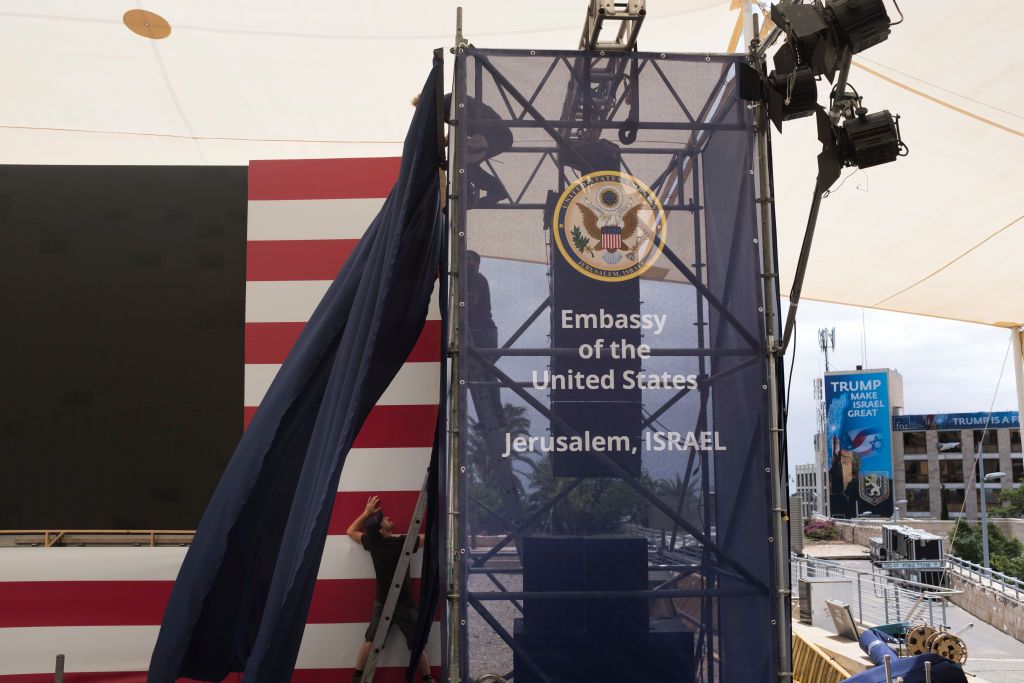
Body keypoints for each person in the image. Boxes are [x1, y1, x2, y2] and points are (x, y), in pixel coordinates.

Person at [346, 495, 432, 683]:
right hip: (405, 603)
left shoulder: (373, 544)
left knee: (371, 640)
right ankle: (428, 680)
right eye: (385, 519)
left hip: (382, 601)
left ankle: (357, 677)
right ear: (382, 529)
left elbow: (350, 531)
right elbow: (431, 538)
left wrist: (366, 513)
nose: (389, 518)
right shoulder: (402, 543)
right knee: (417, 644)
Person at [465, 250, 505, 428]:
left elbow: (471, 300)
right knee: (479, 374)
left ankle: (496, 416)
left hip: (483, 332)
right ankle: (492, 417)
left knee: (487, 374)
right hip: (477, 332)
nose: (465, 262)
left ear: (476, 263)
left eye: (468, 259)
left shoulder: (476, 279)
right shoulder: (470, 279)